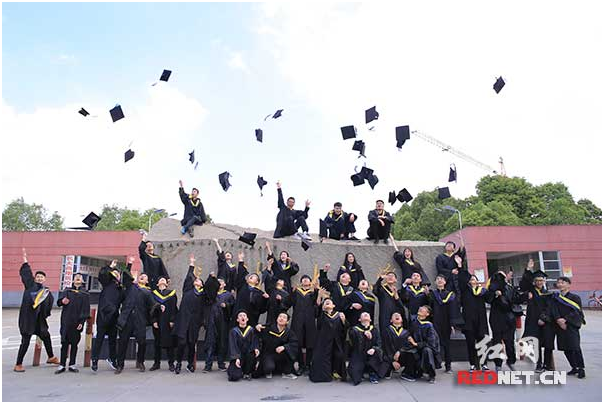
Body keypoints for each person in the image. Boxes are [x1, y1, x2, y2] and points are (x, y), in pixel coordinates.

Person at [14, 248, 59, 372]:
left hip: (39, 321)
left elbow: (49, 304)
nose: (39, 278)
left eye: (41, 277)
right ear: (35, 278)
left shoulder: (46, 291)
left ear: (44, 279)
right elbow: (26, 274)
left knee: (46, 336)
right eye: (38, 276)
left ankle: (51, 357)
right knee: (25, 341)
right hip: (28, 319)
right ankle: (18, 364)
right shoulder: (30, 285)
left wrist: (45, 313)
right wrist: (25, 261)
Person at [172, 254, 219, 374]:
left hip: (194, 322)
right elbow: (189, 277)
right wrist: (191, 264)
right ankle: (178, 363)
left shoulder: (203, 295)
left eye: (199, 280)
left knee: (191, 344)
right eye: (196, 280)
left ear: (202, 285)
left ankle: (190, 364)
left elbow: (211, 291)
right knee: (181, 343)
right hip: (183, 321)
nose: (196, 281)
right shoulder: (187, 289)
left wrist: (212, 278)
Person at [115, 271, 158, 374]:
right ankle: (120, 365)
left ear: (147, 281)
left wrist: (159, 307)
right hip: (127, 319)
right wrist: (130, 265)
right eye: (141, 276)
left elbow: (153, 306)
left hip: (140, 320)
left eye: (145, 276)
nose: (142, 277)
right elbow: (125, 275)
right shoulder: (131, 287)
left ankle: (141, 362)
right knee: (123, 342)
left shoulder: (148, 292)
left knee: (142, 342)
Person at [91, 258, 125, 372]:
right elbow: (102, 274)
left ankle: (112, 358)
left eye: (118, 274)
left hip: (114, 316)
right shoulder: (107, 283)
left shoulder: (120, 288)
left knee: (112, 340)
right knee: (99, 338)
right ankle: (94, 359)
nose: (116, 275)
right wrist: (111, 267)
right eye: (114, 273)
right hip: (103, 314)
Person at [485, 270, 523, 371]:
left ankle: (511, 361)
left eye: (502, 276)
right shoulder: (492, 288)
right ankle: (498, 364)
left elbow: (516, 300)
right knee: (497, 342)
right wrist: (495, 294)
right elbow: (487, 299)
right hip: (496, 318)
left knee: (509, 342)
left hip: (509, 318)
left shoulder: (510, 288)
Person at [427, 274, 463, 373]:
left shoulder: (450, 295)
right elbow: (429, 308)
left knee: (447, 344)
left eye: (441, 279)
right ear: (435, 282)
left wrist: (452, 324)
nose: (439, 280)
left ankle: (448, 366)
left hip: (446, 322)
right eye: (437, 279)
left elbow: (453, 310)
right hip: (435, 321)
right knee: (434, 344)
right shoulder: (432, 294)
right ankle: (435, 364)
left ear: (445, 282)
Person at [55, 273, 90, 374]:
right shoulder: (67, 291)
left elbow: (86, 309)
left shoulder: (85, 293)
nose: (78, 278)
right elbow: (59, 303)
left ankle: (72, 364)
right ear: (73, 280)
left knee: (74, 344)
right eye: (76, 277)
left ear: (82, 281)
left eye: (80, 277)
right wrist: (62, 301)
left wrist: (82, 322)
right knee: (64, 343)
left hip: (77, 321)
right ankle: (62, 364)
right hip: (66, 321)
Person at [521, 270, 555, 372]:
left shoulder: (548, 293)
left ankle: (547, 364)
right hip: (533, 322)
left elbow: (550, 308)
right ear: (534, 281)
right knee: (536, 344)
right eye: (537, 280)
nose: (539, 282)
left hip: (546, 321)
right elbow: (524, 284)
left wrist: (543, 318)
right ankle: (539, 364)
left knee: (548, 343)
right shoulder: (531, 292)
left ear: (544, 281)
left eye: (541, 280)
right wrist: (528, 270)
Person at [551, 276, 586, 379]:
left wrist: (565, 319)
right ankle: (574, 367)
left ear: (568, 285)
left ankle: (581, 368)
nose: (560, 284)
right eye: (559, 282)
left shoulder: (575, 297)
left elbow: (576, 311)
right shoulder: (556, 298)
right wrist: (558, 320)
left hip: (571, 325)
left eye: (562, 282)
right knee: (565, 348)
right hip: (559, 325)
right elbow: (554, 310)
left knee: (575, 347)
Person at [309, 297, 348, 383]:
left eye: (329, 302)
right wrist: (321, 307)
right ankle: (325, 375)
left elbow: (344, 330)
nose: (327, 302)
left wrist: (343, 321)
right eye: (325, 302)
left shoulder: (339, 315)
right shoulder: (321, 315)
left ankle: (336, 371)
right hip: (323, 342)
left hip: (336, 341)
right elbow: (318, 321)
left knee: (339, 355)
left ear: (333, 305)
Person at [457, 270, 489, 372]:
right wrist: (460, 267)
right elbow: (461, 280)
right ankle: (473, 364)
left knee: (482, 343)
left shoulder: (482, 291)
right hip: (469, 322)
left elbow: (490, 298)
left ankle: (484, 364)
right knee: (470, 344)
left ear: (477, 281)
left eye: (474, 279)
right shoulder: (465, 291)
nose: (472, 280)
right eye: (471, 279)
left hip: (480, 321)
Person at [204, 278, 235, 372]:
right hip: (212, 321)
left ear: (225, 284)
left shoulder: (228, 295)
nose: (220, 283)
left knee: (222, 343)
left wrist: (227, 306)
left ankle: (221, 363)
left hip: (223, 321)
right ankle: (208, 365)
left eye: (221, 281)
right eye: (218, 282)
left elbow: (233, 306)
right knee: (210, 342)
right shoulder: (211, 294)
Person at [254, 313, 299, 379]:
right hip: (269, 354)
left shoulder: (289, 332)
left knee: (289, 352)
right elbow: (257, 333)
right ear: (277, 319)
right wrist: (257, 327)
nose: (281, 318)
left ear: (287, 322)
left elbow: (294, 343)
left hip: (281, 355)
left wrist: (284, 347)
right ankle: (269, 371)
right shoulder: (268, 329)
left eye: (284, 317)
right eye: (280, 316)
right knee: (269, 367)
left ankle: (286, 372)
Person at [290, 275, 319, 375]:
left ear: (310, 282)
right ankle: (301, 365)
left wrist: (316, 291)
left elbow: (316, 304)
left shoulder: (313, 292)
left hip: (309, 320)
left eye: (307, 278)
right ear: (301, 282)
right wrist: (292, 293)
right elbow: (290, 302)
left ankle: (308, 365)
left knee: (310, 343)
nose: (305, 279)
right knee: (298, 343)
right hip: (297, 320)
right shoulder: (296, 291)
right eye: (303, 279)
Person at [378, 312, 417, 382]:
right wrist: (392, 361)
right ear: (391, 320)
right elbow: (385, 347)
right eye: (394, 315)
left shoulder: (406, 332)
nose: (397, 315)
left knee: (412, 353)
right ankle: (390, 368)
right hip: (389, 358)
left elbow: (409, 345)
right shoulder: (386, 331)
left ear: (402, 320)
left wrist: (400, 351)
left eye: (399, 315)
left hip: (401, 356)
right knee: (383, 373)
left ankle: (406, 373)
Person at [150, 276, 178, 372]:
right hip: (158, 321)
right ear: (157, 284)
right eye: (160, 279)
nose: (162, 279)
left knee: (169, 343)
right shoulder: (153, 294)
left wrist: (172, 320)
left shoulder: (172, 293)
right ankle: (156, 363)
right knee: (157, 343)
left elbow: (174, 308)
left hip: (167, 321)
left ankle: (171, 363)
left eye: (164, 279)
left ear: (167, 283)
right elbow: (152, 308)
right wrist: (154, 321)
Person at [233, 254, 269, 327]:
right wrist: (241, 260)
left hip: (251, 318)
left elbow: (262, 309)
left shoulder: (259, 293)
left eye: (254, 277)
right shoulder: (242, 285)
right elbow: (240, 275)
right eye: (250, 276)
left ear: (257, 282)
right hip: (238, 314)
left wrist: (266, 299)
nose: (251, 276)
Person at [347, 312, 382, 385]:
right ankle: (361, 372)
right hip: (359, 354)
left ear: (370, 319)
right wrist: (362, 334)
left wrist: (374, 348)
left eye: (367, 314)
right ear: (359, 319)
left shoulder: (374, 330)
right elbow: (352, 339)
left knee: (376, 353)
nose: (365, 314)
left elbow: (379, 343)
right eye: (363, 314)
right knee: (354, 374)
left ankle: (372, 373)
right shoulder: (354, 329)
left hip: (370, 355)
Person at [410, 305, 441, 383]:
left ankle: (431, 375)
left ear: (427, 314)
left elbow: (431, 343)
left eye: (424, 309)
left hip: (427, 347)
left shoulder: (429, 325)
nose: (420, 308)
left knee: (427, 351)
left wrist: (417, 344)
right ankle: (416, 371)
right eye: (420, 308)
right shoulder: (414, 322)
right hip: (415, 346)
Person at [227, 311, 260, 381]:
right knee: (234, 376)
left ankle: (247, 372)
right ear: (237, 320)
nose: (242, 317)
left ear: (247, 319)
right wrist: (236, 358)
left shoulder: (251, 330)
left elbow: (255, 341)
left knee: (251, 354)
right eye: (240, 316)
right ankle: (237, 370)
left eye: (244, 315)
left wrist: (256, 348)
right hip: (238, 358)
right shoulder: (233, 331)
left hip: (248, 357)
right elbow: (233, 346)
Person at [373, 271, 405, 339]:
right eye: (388, 276)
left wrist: (396, 297)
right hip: (385, 317)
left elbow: (401, 308)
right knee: (385, 336)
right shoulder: (382, 290)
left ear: (396, 280)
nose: (390, 277)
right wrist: (380, 279)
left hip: (395, 318)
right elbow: (375, 290)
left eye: (392, 276)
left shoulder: (397, 292)